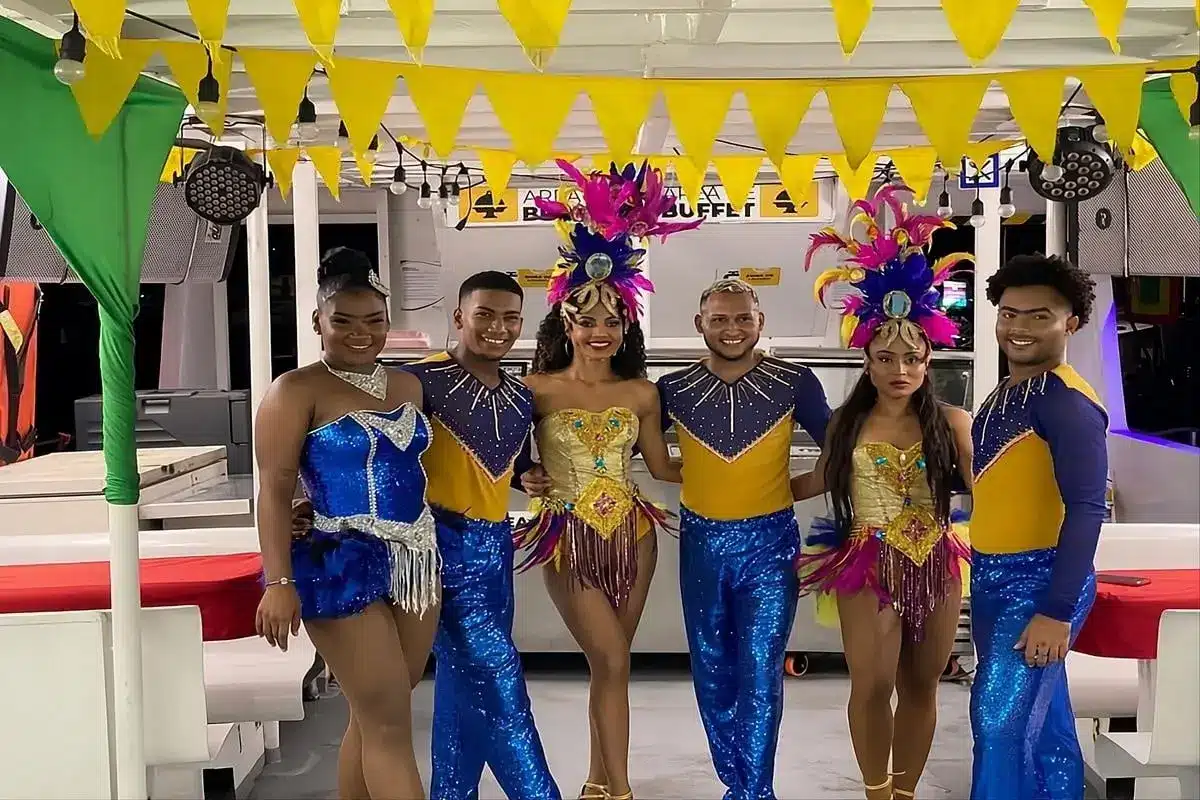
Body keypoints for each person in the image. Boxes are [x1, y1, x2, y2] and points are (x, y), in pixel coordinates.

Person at [295, 270, 561, 800]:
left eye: (510, 318)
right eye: (484, 314)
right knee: (498, 683)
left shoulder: (520, 394)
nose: (498, 327)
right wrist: (310, 503)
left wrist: (528, 474)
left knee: (443, 692)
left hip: (492, 554)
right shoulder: (417, 381)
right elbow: (357, 450)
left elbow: (504, 461)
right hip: (430, 550)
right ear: (459, 317)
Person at [514, 159, 699, 800]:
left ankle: (598, 781)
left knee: (611, 665)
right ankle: (621, 789)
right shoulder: (535, 389)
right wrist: (526, 473)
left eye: (612, 321)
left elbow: (663, 467)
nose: (600, 332)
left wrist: (736, 471)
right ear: (565, 324)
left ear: (626, 328)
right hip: (566, 538)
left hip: (634, 535)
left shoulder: (642, 393)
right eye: (587, 320)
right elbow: (503, 457)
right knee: (613, 658)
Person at [790, 187, 976, 800]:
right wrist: (739, 492)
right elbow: (815, 481)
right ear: (866, 361)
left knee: (922, 685)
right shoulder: (847, 424)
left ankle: (905, 792)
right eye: (886, 357)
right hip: (865, 560)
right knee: (872, 685)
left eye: (912, 359)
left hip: (937, 559)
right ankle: (876, 790)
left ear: (929, 361)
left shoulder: (952, 422)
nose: (900, 370)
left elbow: (984, 488)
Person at [255, 247, 436, 800]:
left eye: (374, 321)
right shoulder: (294, 390)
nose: (361, 333)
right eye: (344, 321)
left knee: (377, 711)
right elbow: (274, 492)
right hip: (339, 563)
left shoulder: (408, 386)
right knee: (388, 725)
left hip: (416, 560)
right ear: (318, 321)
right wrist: (278, 582)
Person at [656, 277, 831, 800]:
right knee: (711, 666)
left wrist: (788, 488)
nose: (731, 329)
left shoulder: (794, 381)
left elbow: (840, 450)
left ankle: (755, 790)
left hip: (770, 543)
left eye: (742, 318)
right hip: (702, 542)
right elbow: (633, 450)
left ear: (760, 322)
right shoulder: (672, 388)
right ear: (699, 324)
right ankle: (736, 778)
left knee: (760, 668)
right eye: (719, 319)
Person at [968, 253, 1106, 800]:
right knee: (1044, 726)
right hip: (991, 576)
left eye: (1038, 316)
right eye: (1009, 314)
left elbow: (1088, 508)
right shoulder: (1007, 391)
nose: (1018, 327)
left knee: (996, 725)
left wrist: (1056, 610)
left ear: (1071, 323)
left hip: (1039, 583)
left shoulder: (1067, 403)